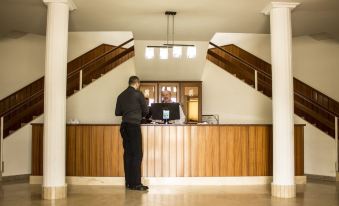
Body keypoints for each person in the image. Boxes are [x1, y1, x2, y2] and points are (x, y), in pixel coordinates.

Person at [115, 76, 149, 191]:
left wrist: (128, 110)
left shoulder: (121, 95)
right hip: (134, 126)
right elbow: (146, 111)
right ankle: (136, 184)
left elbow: (117, 112)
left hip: (124, 126)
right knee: (137, 154)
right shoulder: (138, 94)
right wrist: (138, 111)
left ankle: (128, 182)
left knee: (128, 154)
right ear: (137, 83)